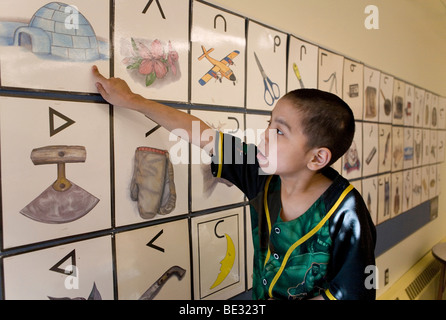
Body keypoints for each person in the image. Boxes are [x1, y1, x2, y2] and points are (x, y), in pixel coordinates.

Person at [92, 65, 376, 300]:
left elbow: (353, 295)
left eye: (279, 131)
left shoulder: (346, 212)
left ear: (317, 158)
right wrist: (132, 100)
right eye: (269, 123)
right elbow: (201, 134)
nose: (264, 135)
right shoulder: (262, 175)